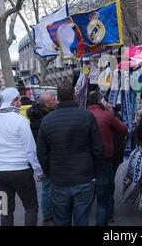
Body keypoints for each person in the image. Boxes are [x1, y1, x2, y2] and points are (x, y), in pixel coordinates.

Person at [37, 81, 105, 226]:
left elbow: (42, 153)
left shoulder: (47, 120)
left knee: (61, 220)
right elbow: (98, 148)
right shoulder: (87, 117)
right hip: (84, 178)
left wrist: (49, 172)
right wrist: (96, 172)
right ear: (74, 96)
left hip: (59, 180)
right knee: (82, 220)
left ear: (58, 98)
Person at [0, 88, 44, 226]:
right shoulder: (20, 121)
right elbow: (30, 149)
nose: (20, 102)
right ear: (13, 101)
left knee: (5, 210)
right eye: (19, 99)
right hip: (22, 171)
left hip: (0, 174)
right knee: (31, 207)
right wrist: (38, 171)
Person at [87, 91, 127, 226]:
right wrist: (111, 113)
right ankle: (107, 215)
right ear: (101, 101)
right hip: (106, 158)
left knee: (87, 193)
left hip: (87, 160)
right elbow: (123, 130)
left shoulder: (84, 115)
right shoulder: (107, 115)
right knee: (105, 194)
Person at [27, 91, 57, 226]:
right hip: (48, 157)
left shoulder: (35, 116)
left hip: (42, 156)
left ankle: (48, 216)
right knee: (48, 187)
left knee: (47, 188)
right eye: (53, 99)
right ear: (47, 104)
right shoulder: (47, 118)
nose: (56, 101)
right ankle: (48, 216)